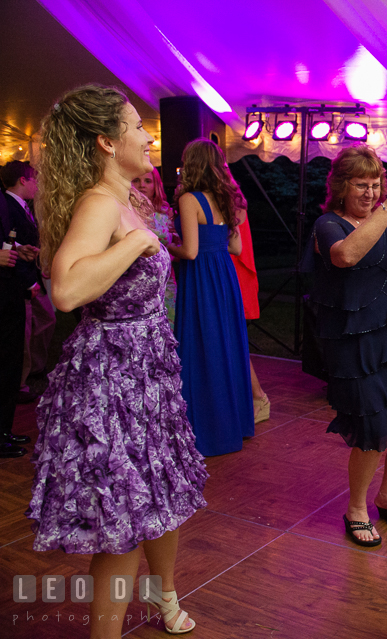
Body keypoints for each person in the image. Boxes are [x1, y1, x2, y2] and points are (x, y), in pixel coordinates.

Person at [25, 85, 206, 637]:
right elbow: (67, 289)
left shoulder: (125, 199)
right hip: (113, 379)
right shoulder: (100, 203)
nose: (148, 135)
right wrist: (136, 245)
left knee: (163, 491)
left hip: (147, 372)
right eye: (135, 127)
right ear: (107, 141)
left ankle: (166, 599)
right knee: (125, 517)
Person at [309, 144, 387, 547]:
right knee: (372, 425)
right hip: (353, 343)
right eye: (360, 184)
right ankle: (356, 509)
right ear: (341, 186)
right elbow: (347, 255)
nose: (369, 191)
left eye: (375, 183)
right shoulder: (328, 224)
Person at [168, 138, 254, 457]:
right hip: (224, 276)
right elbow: (236, 249)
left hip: (201, 277)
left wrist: (163, 245)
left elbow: (189, 251)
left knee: (200, 347)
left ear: (191, 164)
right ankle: (234, 424)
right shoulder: (225, 199)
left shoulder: (189, 199)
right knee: (225, 347)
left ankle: (206, 431)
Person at [2, 161, 53, 405]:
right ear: (23, 179)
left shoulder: (20, 205)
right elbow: (6, 244)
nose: (37, 185)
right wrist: (27, 281)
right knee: (23, 332)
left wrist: (26, 250)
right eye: (34, 179)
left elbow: (14, 244)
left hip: (28, 274)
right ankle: (21, 382)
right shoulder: (8, 206)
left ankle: (31, 371)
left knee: (40, 322)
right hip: (19, 280)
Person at [230, 215, 271, 423]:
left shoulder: (230, 203)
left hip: (231, 275)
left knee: (234, 343)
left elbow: (235, 246)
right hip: (230, 274)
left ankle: (259, 398)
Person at [132, 167, 177, 323]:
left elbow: (176, 243)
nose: (142, 185)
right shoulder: (124, 211)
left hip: (165, 281)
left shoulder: (166, 212)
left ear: (156, 185)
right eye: (136, 180)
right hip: (135, 279)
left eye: (148, 181)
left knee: (168, 325)